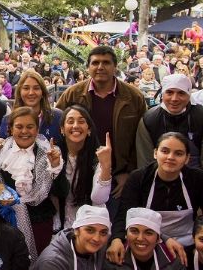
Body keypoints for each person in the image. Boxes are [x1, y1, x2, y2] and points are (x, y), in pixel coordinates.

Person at [56, 46, 147, 202]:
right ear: (88, 67)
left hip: (117, 178)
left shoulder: (133, 97)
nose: (100, 67)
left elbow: (140, 140)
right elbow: (58, 129)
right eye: (95, 63)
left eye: (106, 62)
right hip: (79, 172)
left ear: (115, 67)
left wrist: (130, 173)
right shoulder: (73, 94)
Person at [0, 106, 66, 259]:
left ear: (37, 129)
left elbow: (62, 192)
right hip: (4, 223)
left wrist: (55, 167)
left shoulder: (48, 153)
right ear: (11, 129)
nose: (24, 131)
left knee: (37, 269)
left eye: (30, 127)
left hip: (39, 224)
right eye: (19, 127)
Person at [109, 132, 203, 262]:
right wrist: (116, 239)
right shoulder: (138, 178)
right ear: (155, 153)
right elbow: (124, 214)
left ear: (187, 158)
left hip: (187, 247)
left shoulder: (197, 179)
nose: (170, 157)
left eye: (178, 153)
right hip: (146, 245)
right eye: (165, 151)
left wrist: (199, 245)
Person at [98, 207, 187, 270]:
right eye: (134, 231)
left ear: (158, 239)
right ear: (126, 235)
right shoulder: (113, 260)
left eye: (148, 232)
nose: (140, 238)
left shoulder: (173, 261)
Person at [29, 205, 110, 270]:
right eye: (90, 230)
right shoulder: (52, 262)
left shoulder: (99, 250)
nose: (96, 238)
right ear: (76, 230)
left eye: (103, 233)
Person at [56, 105, 112, 229]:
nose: (76, 125)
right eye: (70, 121)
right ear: (62, 129)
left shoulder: (99, 156)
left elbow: (98, 198)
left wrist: (106, 166)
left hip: (91, 224)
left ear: (89, 129)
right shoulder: (54, 155)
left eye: (81, 121)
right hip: (60, 223)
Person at [136, 73, 203, 169]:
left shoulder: (200, 116)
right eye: (169, 92)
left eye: (181, 93)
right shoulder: (149, 120)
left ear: (189, 95)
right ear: (162, 94)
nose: (174, 99)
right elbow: (145, 161)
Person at [0, 70, 63, 141]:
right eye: (26, 88)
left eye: (36, 88)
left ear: (42, 92)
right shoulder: (7, 120)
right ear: (20, 92)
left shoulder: (58, 117)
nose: (31, 93)